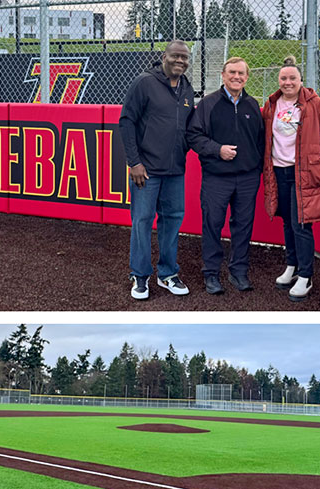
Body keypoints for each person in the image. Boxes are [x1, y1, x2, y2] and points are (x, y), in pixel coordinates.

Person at [119, 40, 195, 300]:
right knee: (142, 221)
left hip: (175, 170)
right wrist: (134, 162)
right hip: (146, 169)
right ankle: (140, 276)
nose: (180, 61)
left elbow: (187, 127)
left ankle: (167, 273)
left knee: (172, 220)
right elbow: (126, 121)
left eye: (184, 58)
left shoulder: (187, 88)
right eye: (175, 56)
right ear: (164, 56)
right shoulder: (144, 82)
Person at [262, 55, 320, 302]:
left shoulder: (315, 104)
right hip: (279, 171)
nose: (287, 82)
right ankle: (292, 266)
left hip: (303, 173)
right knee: (287, 222)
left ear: (300, 80)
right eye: (283, 78)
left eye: (292, 78)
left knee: (302, 225)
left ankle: (306, 274)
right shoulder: (272, 105)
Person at [186, 57, 264, 295]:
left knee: (243, 226)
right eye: (232, 72)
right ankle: (211, 274)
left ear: (247, 77)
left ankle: (238, 272)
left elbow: (260, 141)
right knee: (212, 225)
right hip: (217, 177)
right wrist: (217, 150)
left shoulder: (253, 105)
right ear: (223, 75)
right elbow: (194, 136)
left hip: (248, 178)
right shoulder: (208, 104)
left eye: (241, 73)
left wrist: (255, 168)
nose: (236, 77)